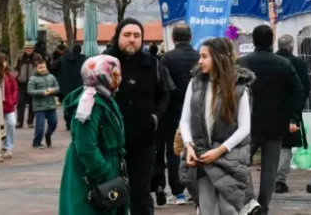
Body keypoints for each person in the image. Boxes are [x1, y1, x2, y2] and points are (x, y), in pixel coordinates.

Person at [180, 38, 257, 215]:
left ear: (219, 58)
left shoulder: (240, 88)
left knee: (229, 208)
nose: (199, 61)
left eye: (204, 56)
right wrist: (188, 146)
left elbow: (245, 128)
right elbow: (185, 120)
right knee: (206, 207)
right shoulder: (195, 84)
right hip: (202, 156)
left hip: (231, 159)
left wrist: (220, 150)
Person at [236, 25, 305, 215]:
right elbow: (298, 92)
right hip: (276, 124)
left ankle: (249, 200)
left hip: (247, 124)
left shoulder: (242, 63)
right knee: (269, 169)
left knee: (239, 163)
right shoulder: (283, 64)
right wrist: (293, 116)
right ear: (272, 40)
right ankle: (263, 206)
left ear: (254, 42)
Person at [107, 18, 171, 215]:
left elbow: (166, 94)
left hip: (144, 141)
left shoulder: (153, 64)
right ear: (118, 37)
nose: (132, 40)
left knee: (140, 194)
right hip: (111, 142)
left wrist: (155, 117)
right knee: (111, 193)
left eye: (137, 36)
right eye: (127, 35)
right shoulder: (104, 63)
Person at [58, 54, 127, 215]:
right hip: (92, 171)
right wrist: (104, 173)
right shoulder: (89, 103)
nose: (118, 77)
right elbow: (85, 145)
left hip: (107, 164)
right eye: (113, 73)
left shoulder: (105, 97)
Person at [156, 23, 199, 205]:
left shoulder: (166, 58)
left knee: (173, 151)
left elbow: (162, 85)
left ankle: (178, 192)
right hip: (195, 110)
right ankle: (195, 190)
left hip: (171, 111)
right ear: (190, 38)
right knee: (196, 149)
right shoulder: (199, 57)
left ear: (173, 38)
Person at [274, 34, 310, 193]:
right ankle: (280, 180)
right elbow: (304, 90)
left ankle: (270, 178)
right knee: (286, 146)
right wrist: (297, 110)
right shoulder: (299, 63)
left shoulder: (271, 61)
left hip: (269, 110)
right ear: (292, 46)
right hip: (290, 111)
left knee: (271, 145)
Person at [28, 58, 60, 149]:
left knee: (54, 123)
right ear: (36, 68)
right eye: (40, 68)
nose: (43, 69)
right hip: (39, 107)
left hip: (51, 105)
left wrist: (52, 90)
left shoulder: (51, 77)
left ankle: (48, 135)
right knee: (40, 127)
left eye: (44, 67)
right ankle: (36, 142)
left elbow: (57, 88)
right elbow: (30, 91)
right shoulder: (33, 79)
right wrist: (42, 92)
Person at [56, 44, 87, 131]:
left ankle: (68, 122)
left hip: (66, 86)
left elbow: (53, 67)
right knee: (78, 105)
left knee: (67, 104)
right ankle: (76, 122)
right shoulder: (84, 60)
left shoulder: (63, 59)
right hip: (79, 86)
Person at [15, 42, 38, 128]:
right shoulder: (20, 57)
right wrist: (17, 76)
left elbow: (42, 66)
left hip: (34, 83)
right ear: (24, 49)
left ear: (33, 49)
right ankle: (19, 121)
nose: (29, 49)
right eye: (27, 48)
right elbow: (15, 68)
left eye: (30, 48)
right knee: (20, 102)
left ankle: (30, 121)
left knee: (33, 103)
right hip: (22, 83)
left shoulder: (37, 57)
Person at [0, 55, 18, 159]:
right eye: (1, 62)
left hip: (9, 105)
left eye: (4, 62)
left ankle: (8, 146)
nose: (3, 64)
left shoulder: (10, 76)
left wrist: (13, 100)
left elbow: (15, 89)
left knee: (12, 123)